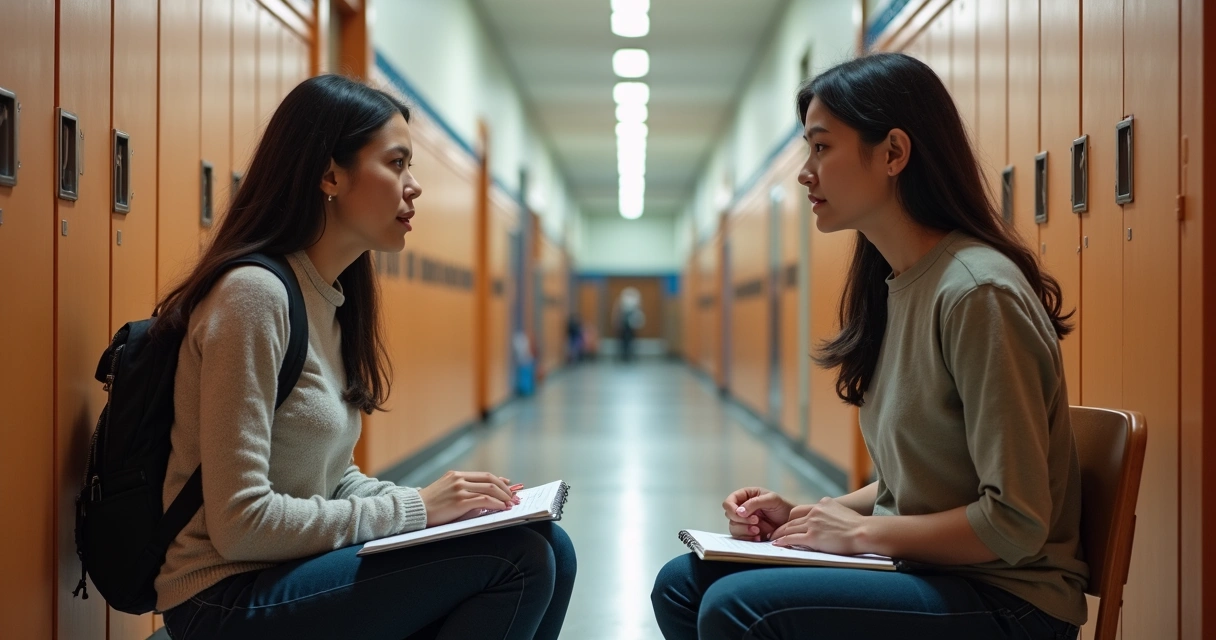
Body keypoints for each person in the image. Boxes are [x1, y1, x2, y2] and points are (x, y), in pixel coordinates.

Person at [651, 53, 1086, 640]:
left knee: (740, 608)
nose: (806, 172)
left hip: (1009, 599)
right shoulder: (898, 285)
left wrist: (858, 535)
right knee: (683, 584)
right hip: (931, 570)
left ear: (893, 153)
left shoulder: (977, 294)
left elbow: (1015, 522)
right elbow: (917, 483)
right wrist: (810, 517)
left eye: (822, 148)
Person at [152, 75, 574, 640]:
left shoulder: (326, 296)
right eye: (397, 163)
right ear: (330, 174)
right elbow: (240, 524)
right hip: (224, 597)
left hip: (289, 572)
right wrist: (419, 509)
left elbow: (332, 477)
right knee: (516, 560)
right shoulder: (254, 297)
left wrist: (451, 506)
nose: (414, 186)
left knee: (550, 546)